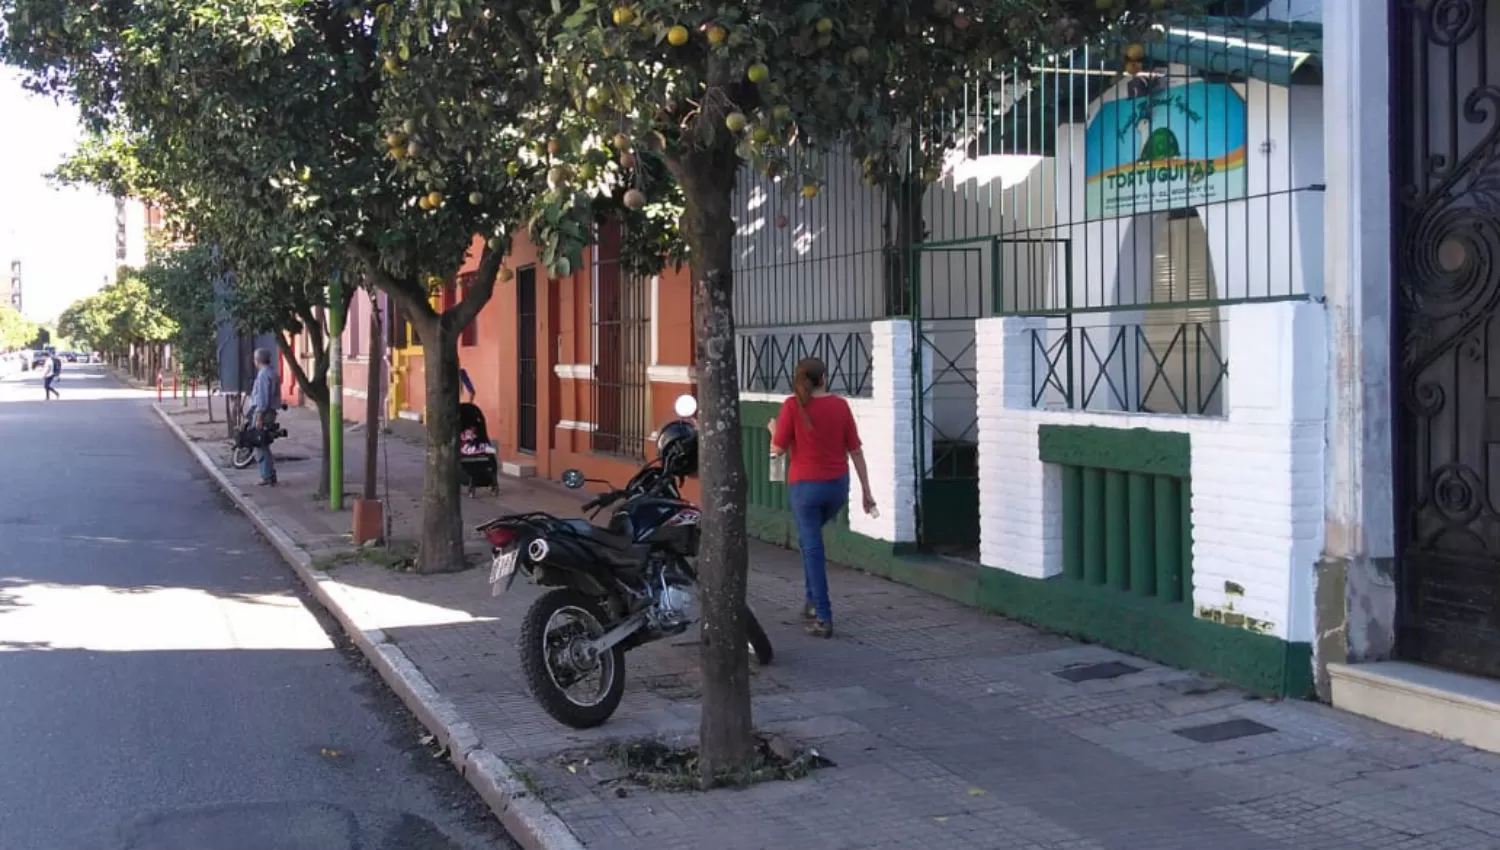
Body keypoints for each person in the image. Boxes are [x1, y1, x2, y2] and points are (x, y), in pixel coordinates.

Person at [769, 357, 877, 638]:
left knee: (813, 548)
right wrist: (867, 491)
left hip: (805, 489)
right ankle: (810, 601)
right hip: (836, 488)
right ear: (824, 378)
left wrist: (772, 430)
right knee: (810, 540)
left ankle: (824, 616)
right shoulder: (840, 406)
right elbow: (855, 451)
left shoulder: (793, 406)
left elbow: (777, 449)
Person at [248, 348, 278, 487]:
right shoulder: (272, 372)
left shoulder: (263, 375)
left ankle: (267, 475)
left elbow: (262, 398)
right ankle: (270, 473)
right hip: (270, 411)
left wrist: (259, 416)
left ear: (257, 360)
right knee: (264, 442)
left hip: (263, 413)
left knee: (260, 443)